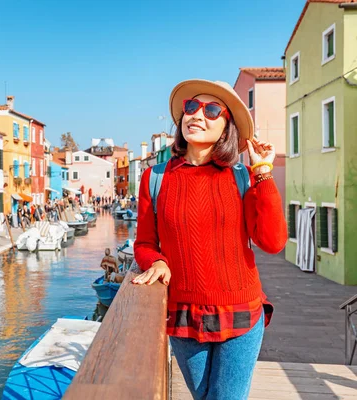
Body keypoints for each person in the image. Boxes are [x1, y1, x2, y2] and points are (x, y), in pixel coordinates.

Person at [132, 79, 287, 399]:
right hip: (183, 315)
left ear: (227, 127)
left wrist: (263, 173)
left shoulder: (242, 176)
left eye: (212, 109)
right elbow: (145, 243)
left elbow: (273, 242)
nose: (197, 115)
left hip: (242, 313)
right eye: (191, 106)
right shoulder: (154, 178)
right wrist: (156, 262)